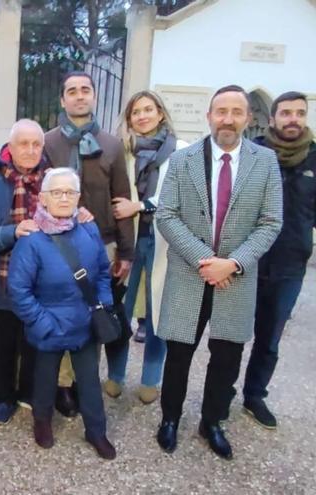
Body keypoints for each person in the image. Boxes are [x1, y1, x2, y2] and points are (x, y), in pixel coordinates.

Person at [155, 85, 283, 460]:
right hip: (190, 272)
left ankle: (212, 421)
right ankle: (170, 419)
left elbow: (271, 221)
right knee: (179, 352)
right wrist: (205, 260)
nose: (228, 118)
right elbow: (166, 215)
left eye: (236, 112)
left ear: (248, 118)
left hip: (236, 277)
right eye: (221, 111)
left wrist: (234, 263)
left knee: (226, 356)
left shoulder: (265, 162)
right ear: (209, 116)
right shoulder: (183, 160)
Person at [42, 71, 134, 417]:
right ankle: (62, 385)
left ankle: (85, 381)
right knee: (62, 311)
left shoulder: (111, 145)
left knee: (94, 313)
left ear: (93, 96)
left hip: (102, 243)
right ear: (62, 100)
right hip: (56, 243)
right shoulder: (49, 142)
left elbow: (121, 200)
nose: (79, 96)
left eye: (85, 90)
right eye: (72, 91)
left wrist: (125, 251)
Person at [7, 167, 116, 460]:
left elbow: (103, 273)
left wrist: (102, 305)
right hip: (50, 324)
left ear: (79, 197)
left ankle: (96, 431)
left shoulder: (89, 230)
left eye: (70, 192)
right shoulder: (31, 239)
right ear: (43, 198)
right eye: (57, 192)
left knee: (90, 381)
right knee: (44, 379)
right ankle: (42, 422)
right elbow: (19, 290)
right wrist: (43, 323)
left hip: (85, 321)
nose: (64, 198)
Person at [102, 91, 188, 405]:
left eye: (148, 110)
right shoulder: (122, 151)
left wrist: (140, 205)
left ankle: (151, 378)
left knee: (156, 314)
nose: (142, 116)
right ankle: (115, 376)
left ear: (161, 113)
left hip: (162, 240)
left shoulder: (181, 152)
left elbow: (184, 198)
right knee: (119, 313)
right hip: (127, 239)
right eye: (135, 112)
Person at [241, 91, 315, 429]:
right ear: (272, 119)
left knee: (270, 338)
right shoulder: (252, 154)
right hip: (248, 259)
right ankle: (221, 391)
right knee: (232, 332)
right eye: (286, 113)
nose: (293, 119)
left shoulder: (314, 158)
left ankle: (255, 395)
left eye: (299, 113)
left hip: (289, 264)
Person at [0, 119, 45, 423]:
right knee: (1, 342)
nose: (29, 150)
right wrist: (13, 232)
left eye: (36, 144)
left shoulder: (55, 184)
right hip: (1, 278)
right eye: (22, 144)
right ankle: (2, 396)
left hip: (42, 281)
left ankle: (28, 391)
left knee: (35, 341)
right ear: (10, 149)